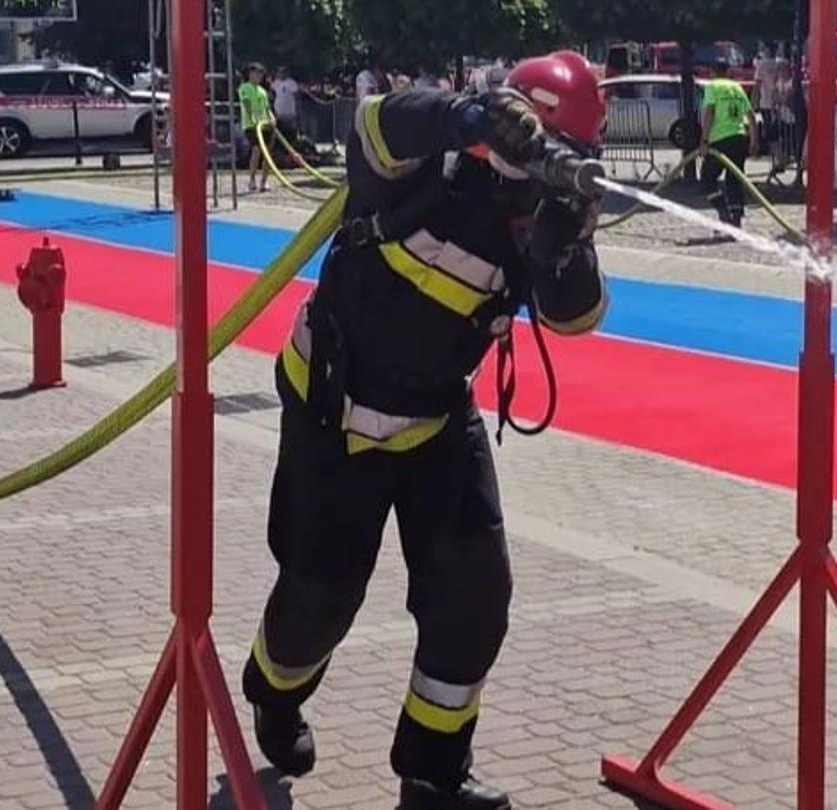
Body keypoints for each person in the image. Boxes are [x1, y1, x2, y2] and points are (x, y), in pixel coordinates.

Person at [238, 49, 609, 810]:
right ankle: (273, 693)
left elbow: (575, 318)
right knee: (320, 598)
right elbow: (374, 129)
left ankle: (434, 775)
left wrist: (565, 243)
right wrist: (465, 117)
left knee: (475, 597)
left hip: (438, 417)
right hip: (334, 411)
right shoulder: (422, 165)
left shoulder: (538, 220)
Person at [700, 60, 755, 227]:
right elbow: (751, 115)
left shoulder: (713, 86)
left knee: (707, 179)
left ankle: (724, 213)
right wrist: (754, 140)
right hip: (739, 137)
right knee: (734, 180)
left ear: (712, 72)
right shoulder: (737, 88)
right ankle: (736, 220)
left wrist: (704, 139)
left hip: (720, 139)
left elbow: (709, 112)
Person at [239, 63, 274, 192]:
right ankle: (252, 180)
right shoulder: (244, 87)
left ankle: (264, 182)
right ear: (249, 74)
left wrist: (271, 118)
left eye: (260, 73)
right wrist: (253, 118)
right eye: (255, 73)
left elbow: (267, 108)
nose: (258, 76)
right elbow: (246, 102)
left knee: (267, 153)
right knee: (256, 149)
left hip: (264, 125)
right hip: (251, 126)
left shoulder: (262, 91)